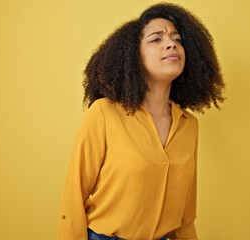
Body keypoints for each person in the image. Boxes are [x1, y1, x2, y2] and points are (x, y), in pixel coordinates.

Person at [57, 3, 225, 240]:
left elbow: (185, 216)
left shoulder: (189, 125)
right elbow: (73, 199)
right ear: (134, 56)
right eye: (156, 39)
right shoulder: (104, 113)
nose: (171, 43)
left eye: (177, 39)